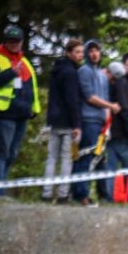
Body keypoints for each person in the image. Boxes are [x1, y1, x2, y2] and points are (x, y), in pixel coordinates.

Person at [0, 24, 41, 197]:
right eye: (10, 41)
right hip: (2, 114)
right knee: (1, 151)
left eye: (16, 41)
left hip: (21, 115)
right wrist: (9, 73)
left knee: (12, 154)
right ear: (5, 42)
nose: (14, 44)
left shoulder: (26, 63)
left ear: (22, 42)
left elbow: (32, 89)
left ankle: (0, 189)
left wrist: (34, 109)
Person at [71, 39, 120, 206]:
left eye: (97, 50)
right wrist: (110, 106)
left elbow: (105, 98)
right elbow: (90, 97)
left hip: (100, 123)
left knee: (94, 158)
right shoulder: (84, 71)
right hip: (87, 120)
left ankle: (83, 191)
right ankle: (80, 193)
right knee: (84, 157)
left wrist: (108, 123)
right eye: (90, 50)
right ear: (86, 53)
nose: (94, 54)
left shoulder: (101, 75)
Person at [41, 38, 83, 203]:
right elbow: (72, 100)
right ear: (68, 53)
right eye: (77, 52)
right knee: (66, 158)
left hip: (54, 120)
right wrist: (77, 124)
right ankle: (63, 194)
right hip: (67, 122)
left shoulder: (57, 70)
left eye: (81, 52)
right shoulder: (71, 73)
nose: (81, 55)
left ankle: (46, 192)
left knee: (51, 158)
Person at [106, 55, 128, 202]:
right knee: (124, 169)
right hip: (123, 134)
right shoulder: (122, 83)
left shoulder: (121, 83)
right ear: (123, 65)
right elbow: (125, 109)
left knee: (114, 169)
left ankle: (114, 198)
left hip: (118, 133)